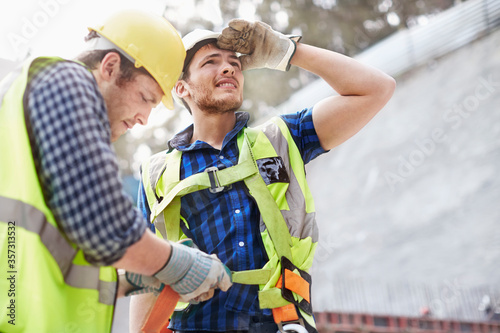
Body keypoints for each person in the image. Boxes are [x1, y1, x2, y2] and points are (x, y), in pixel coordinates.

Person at [134, 19, 396, 333]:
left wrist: (288, 51)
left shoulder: (281, 139)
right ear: (182, 87)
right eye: (211, 62)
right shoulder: (156, 175)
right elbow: (146, 276)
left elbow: (377, 89)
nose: (229, 68)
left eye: (234, 62)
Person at [0, 10, 231, 333]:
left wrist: (130, 280)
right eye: (145, 98)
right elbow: (102, 225)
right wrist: (174, 262)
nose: (143, 119)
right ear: (109, 67)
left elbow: (48, 262)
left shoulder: (38, 111)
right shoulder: (65, 81)